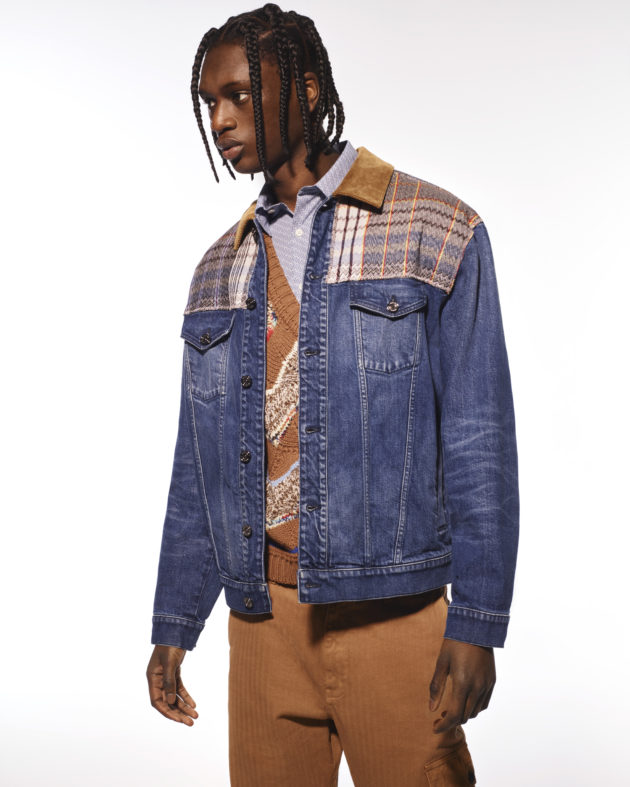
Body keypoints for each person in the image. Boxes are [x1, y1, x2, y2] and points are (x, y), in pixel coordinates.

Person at [146, 5, 519, 785]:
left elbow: (478, 434)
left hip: (395, 618)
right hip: (262, 628)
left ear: (307, 88)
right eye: (210, 102)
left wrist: (478, 620)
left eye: (239, 95)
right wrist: (175, 621)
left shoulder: (433, 228)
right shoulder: (218, 269)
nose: (220, 119)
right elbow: (197, 469)